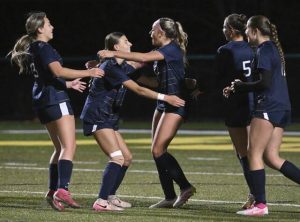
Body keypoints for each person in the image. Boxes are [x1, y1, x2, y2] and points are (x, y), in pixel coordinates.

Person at [9, 11, 104, 211]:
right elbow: (57, 71)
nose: (52, 27)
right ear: (40, 28)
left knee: (59, 148)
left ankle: (53, 191)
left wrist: (68, 85)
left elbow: (48, 77)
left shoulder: (34, 48)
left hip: (43, 101)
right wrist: (89, 72)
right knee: (69, 147)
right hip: (55, 100)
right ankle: (62, 190)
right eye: (49, 24)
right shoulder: (43, 47)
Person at [80, 32, 185, 212]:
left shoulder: (120, 66)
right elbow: (138, 89)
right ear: (116, 48)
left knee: (126, 158)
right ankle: (101, 201)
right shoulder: (111, 67)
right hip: (97, 116)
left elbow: (140, 61)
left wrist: (167, 54)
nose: (130, 43)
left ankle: (111, 197)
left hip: (109, 117)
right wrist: (166, 97)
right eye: (125, 41)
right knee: (117, 158)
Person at [98, 17, 196, 209]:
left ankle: (185, 187)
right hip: (163, 103)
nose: (150, 33)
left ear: (162, 32)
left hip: (175, 103)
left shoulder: (171, 49)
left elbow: (141, 58)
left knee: (158, 150)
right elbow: (152, 81)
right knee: (157, 152)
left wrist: (112, 52)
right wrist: (103, 66)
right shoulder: (159, 52)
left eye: (153, 30)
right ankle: (169, 196)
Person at [224, 15, 300, 216]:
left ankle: (260, 205)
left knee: (253, 154)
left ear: (255, 31)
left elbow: (264, 83)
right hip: (282, 107)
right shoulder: (273, 48)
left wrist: (241, 87)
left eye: (248, 29)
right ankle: (260, 203)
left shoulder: (265, 49)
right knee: (272, 157)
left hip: (268, 106)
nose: (246, 33)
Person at [217, 14, 255, 209]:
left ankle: (255, 195)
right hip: (255, 102)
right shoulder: (254, 47)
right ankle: (256, 194)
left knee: (244, 154)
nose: (223, 30)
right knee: (250, 151)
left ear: (232, 30)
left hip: (237, 104)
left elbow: (222, 78)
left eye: (225, 27)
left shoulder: (225, 50)